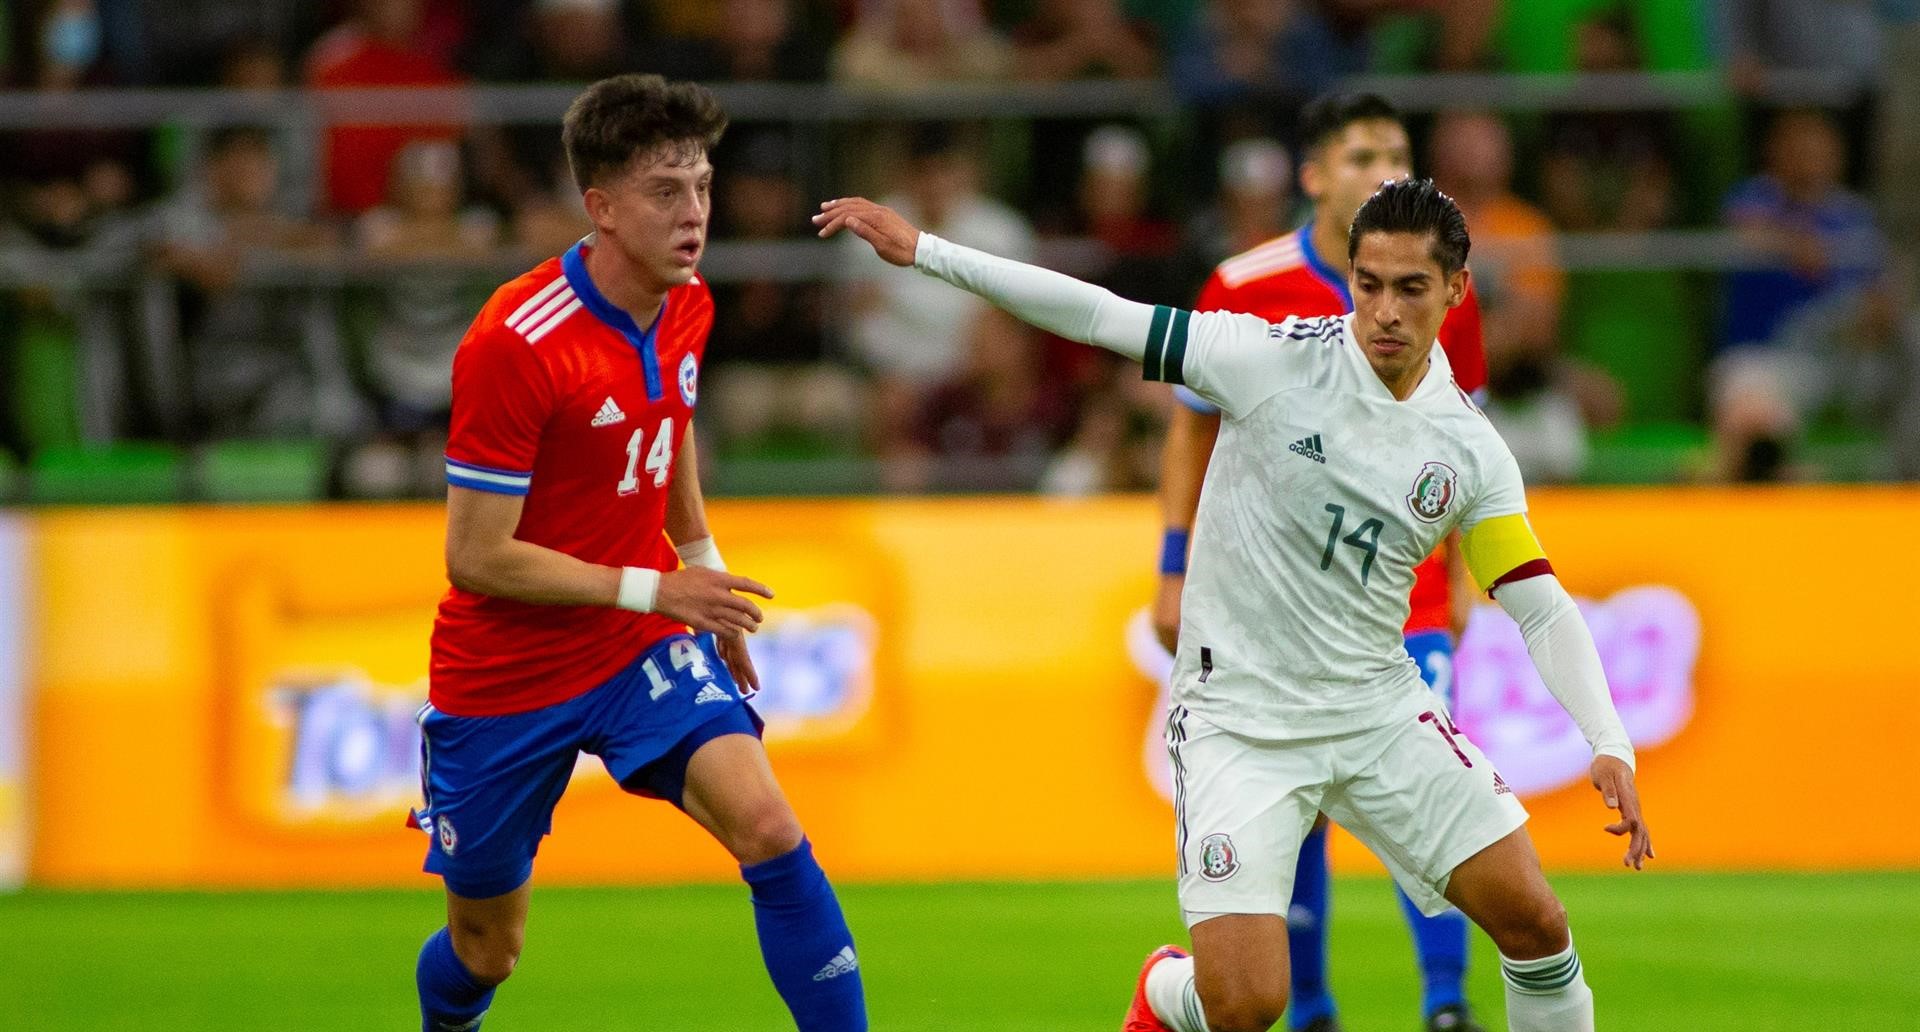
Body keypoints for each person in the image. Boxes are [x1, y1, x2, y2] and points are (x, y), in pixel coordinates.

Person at [816, 178, 1651, 1032]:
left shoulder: (1469, 449)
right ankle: (1165, 992)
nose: (1386, 311)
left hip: (1380, 711)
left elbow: (1539, 604)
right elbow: (1101, 314)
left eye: (1411, 288)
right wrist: (926, 251)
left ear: (1456, 288)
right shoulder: (1271, 360)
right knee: (1246, 1004)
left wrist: (1607, 739)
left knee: (1538, 926)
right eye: (1369, 284)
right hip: (1239, 723)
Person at [412, 74, 868, 1032]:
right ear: (601, 206)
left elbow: (670, 429)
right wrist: (659, 588)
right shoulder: (515, 341)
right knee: (486, 950)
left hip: (631, 649)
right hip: (507, 672)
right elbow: (476, 557)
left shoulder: (688, 301)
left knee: (771, 831)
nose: (694, 213)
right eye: (666, 192)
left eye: (701, 186)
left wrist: (701, 568)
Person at [1157, 93, 1487, 1032]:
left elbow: (1465, 443)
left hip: (1407, 598)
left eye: (1398, 151)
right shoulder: (1243, 282)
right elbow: (1189, 434)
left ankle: (1447, 1006)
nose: (1383, 170)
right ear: (1312, 175)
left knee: (1437, 801)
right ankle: (1308, 1007)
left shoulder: (1444, 285)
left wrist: (1459, 576)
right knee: (1290, 808)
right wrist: (1173, 566)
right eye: (1361, 155)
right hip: (1276, 614)